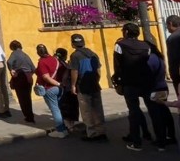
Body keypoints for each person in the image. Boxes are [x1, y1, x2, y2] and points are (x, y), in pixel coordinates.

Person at [112, 22, 152, 152]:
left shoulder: (120, 45)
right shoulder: (145, 45)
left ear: (126, 32)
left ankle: (136, 141)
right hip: (145, 81)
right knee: (151, 109)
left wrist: (117, 80)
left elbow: (117, 65)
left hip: (129, 82)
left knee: (133, 111)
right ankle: (148, 134)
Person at [68, 35, 107, 142]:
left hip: (83, 86)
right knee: (98, 109)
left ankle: (92, 133)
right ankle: (101, 131)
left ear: (73, 44)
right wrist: (96, 80)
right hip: (94, 85)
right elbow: (98, 69)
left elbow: (74, 71)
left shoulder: (75, 56)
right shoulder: (93, 53)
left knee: (87, 111)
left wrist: (73, 85)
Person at [144, 43, 175, 151]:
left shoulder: (150, 60)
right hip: (163, 87)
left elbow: (147, 75)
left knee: (156, 116)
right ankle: (171, 136)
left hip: (154, 89)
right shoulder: (159, 58)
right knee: (164, 112)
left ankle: (161, 141)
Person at [34, 44, 68, 138]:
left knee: (55, 109)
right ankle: (64, 128)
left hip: (49, 88)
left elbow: (46, 77)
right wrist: (61, 84)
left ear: (37, 52)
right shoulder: (54, 59)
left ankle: (60, 131)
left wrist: (57, 84)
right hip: (59, 88)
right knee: (59, 108)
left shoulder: (42, 62)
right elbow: (64, 70)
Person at [7, 40, 35, 123]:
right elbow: (33, 68)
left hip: (20, 77)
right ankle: (30, 115)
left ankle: (28, 116)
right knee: (27, 97)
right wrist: (29, 74)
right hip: (28, 77)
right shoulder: (26, 55)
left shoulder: (14, 53)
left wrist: (11, 70)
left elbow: (9, 62)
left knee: (22, 98)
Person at [55, 48, 81, 132]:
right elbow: (65, 77)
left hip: (63, 87)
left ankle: (69, 125)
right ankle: (70, 126)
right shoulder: (67, 65)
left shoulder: (57, 63)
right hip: (68, 88)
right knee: (71, 106)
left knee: (66, 107)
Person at [166, 15, 180, 96]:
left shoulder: (173, 38)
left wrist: (173, 74)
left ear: (170, 24)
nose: (167, 28)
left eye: (167, 25)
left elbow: (174, 59)